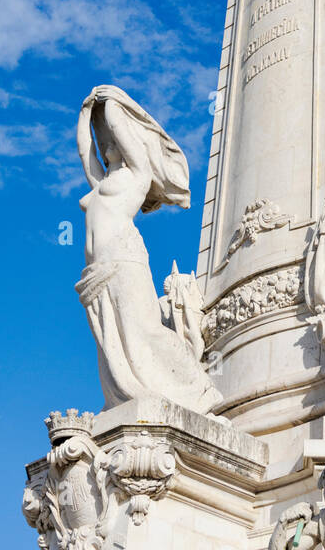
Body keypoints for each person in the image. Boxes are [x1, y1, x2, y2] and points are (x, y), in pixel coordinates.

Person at [76, 84, 224, 416]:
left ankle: (198, 391)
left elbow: (124, 136)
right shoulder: (101, 184)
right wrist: (87, 113)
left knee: (144, 328)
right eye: (105, 144)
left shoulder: (136, 177)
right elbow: (85, 153)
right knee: (113, 342)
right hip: (98, 270)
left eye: (112, 141)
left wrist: (112, 103)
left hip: (125, 259)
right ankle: (128, 394)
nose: (107, 145)